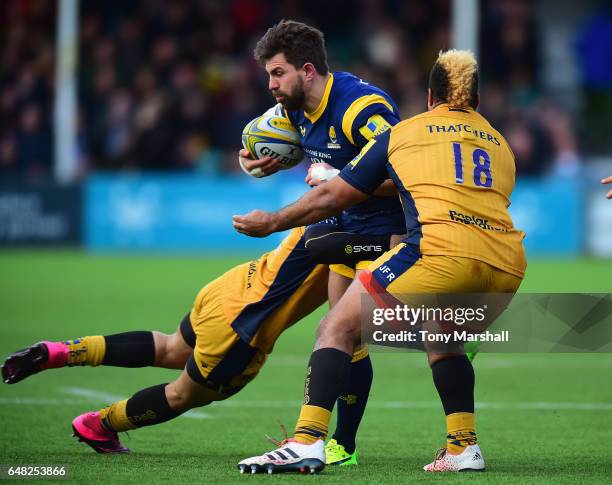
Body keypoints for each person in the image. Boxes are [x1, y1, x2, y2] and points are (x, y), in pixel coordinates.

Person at [233, 49, 526, 474]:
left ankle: (307, 440)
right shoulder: (500, 144)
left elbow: (335, 196)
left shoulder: (406, 132)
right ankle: (463, 447)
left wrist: (274, 220)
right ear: (477, 102)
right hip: (506, 265)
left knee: (337, 327)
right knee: (442, 338)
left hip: (439, 253)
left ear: (429, 97)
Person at [2, 228, 370, 453]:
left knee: (171, 347)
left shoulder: (332, 193)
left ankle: (61, 352)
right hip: (243, 327)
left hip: (231, 286)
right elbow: (339, 312)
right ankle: (99, 425)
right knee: (183, 394)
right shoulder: (356, 229)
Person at [239, 20, 407, 465]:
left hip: (390, 230)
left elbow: (405, 172)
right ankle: (342, 446)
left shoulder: (360, 108)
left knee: (335, 323)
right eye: (269, 75)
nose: (271, 85)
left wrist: (344, 180)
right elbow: (284, 143)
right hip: (351, 222)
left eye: (278, 73)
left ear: (307, 70)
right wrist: (265, 160)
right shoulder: (296, 107)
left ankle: (321, 440)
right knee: (344, 333)